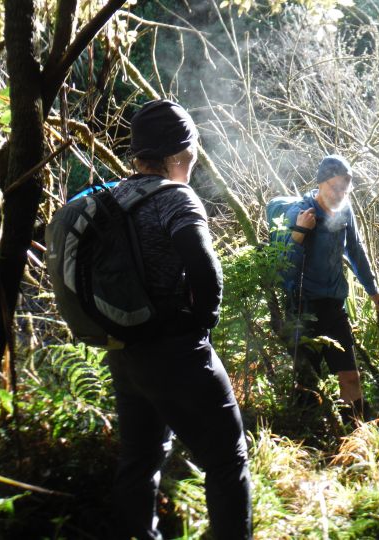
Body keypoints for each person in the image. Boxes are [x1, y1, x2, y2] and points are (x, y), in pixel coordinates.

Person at [105, 100, 251, 539]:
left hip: (124, 350)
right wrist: (199, 329)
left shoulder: (112, 197)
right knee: (227, 459)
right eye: (189, 155)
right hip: (176, 350)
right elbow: (206, 269)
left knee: (140, 459)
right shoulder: (175, 197)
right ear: (177, 155)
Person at [277, 154, 379, 426]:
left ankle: (358, 434)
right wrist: (300, 232)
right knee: (307, 383)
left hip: (333, 305)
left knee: (349, 374)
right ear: (321, 184)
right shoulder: (302, 212)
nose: (340, 193)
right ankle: (308, 439)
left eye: (345, 187)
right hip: (302, 307)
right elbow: (283, 268)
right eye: (335, 187)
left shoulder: (346, 210)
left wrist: (371, 288)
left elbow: (356, 250)